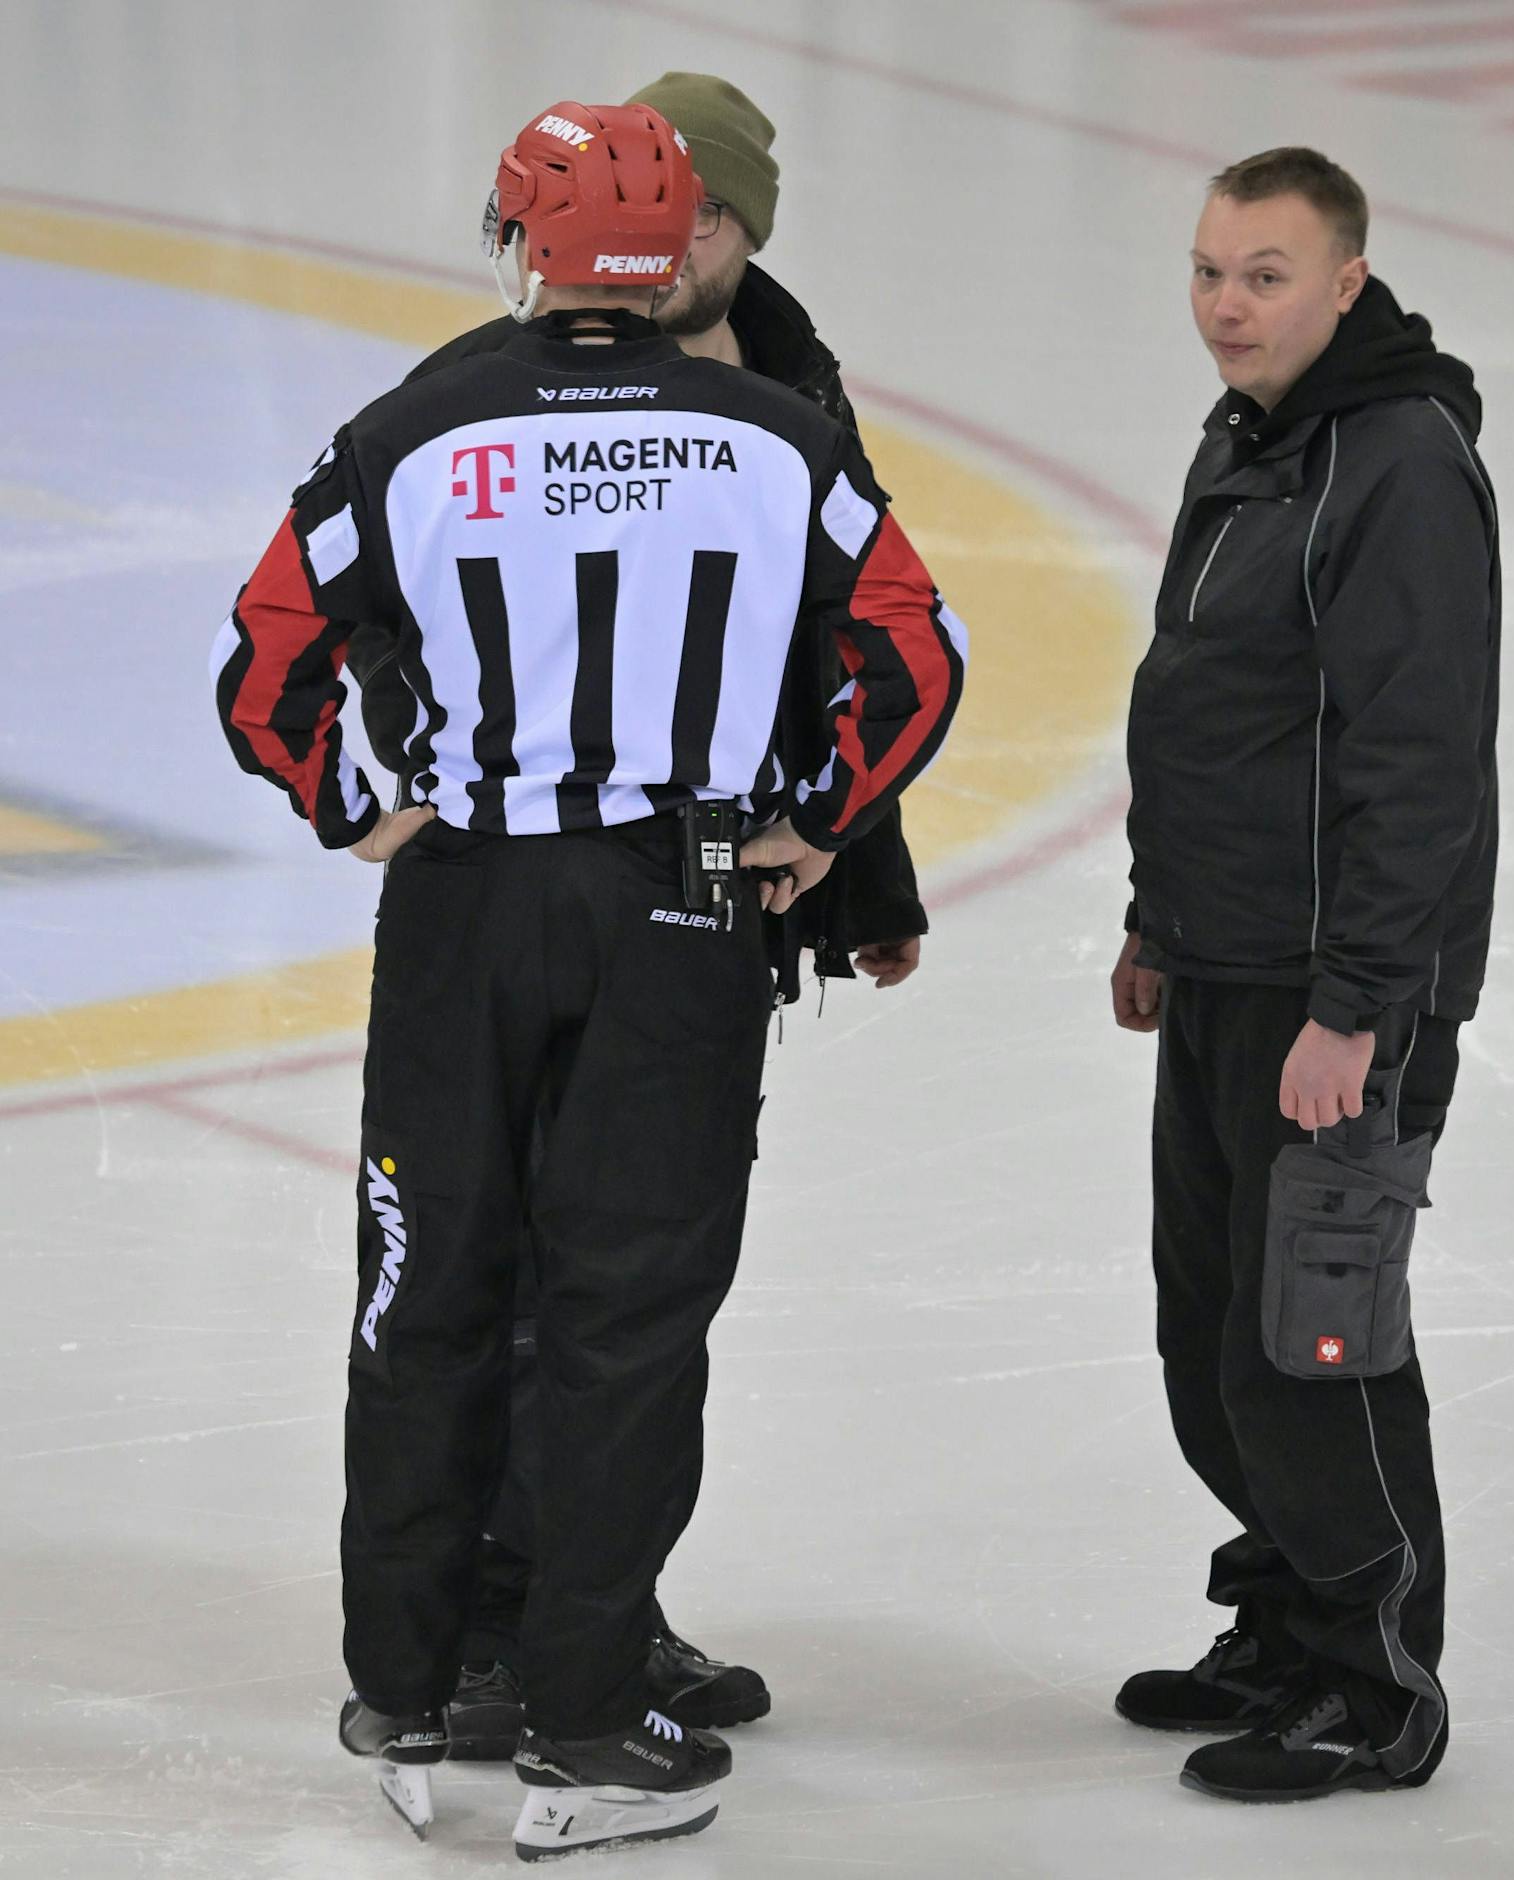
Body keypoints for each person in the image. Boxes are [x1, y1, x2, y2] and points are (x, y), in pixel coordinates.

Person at [211, 99, 964, 1856]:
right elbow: (915, 656)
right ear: (679, 235)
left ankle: (402, 1687)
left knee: (430, 1295)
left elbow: (267, 660)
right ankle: (587, 1719)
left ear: (523, 241)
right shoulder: (779, 436)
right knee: (628, 1317)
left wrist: (356, 805)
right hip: (684, 904)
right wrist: (813, 827)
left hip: (466, 900)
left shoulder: (419, 426)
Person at [1111, 147, 1499, 1803]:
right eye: (1208, 271)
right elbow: (1208, 702)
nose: (1225, 306)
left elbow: (1415, 759)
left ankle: (1376, 1679)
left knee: (1314, 1342)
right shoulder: (1255, 436)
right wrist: (1156, 919)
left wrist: (1355, 1006)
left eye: (1264, 275)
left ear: (1347, 281)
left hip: (1331, 1002)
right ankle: (1283, 1621)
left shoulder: (1396, 463)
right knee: (1214, 1334)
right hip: (1222, 968)